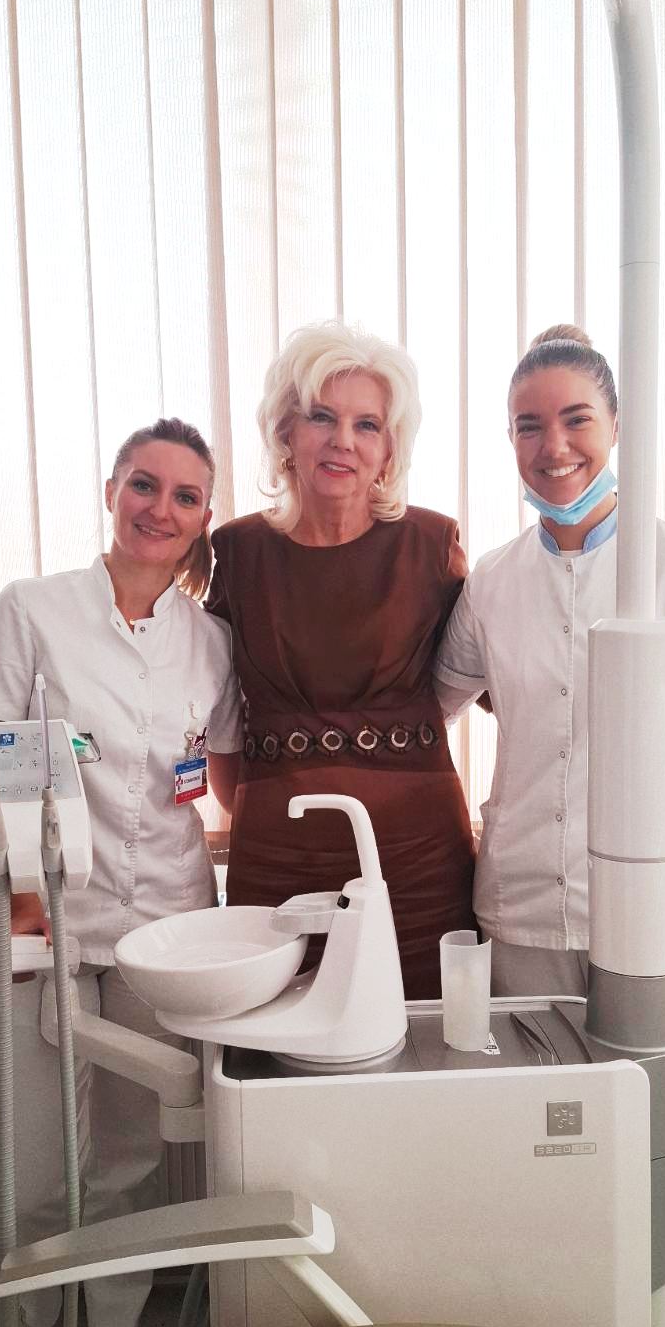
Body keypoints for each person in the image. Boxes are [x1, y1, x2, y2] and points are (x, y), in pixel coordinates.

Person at [0, 417, 243, 1327]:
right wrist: (24, 908)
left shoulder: (211, 643)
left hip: (163, 919)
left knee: (127, 1155)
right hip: (45, 916)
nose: (160, 508)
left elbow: (215, 779)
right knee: (40, 1158)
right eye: (143, 484)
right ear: (112, 490)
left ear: (203, 518)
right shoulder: (33, 611)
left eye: (185, 495)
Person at [434, 325, 665, 1024]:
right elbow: (427, 712)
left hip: (658, 914)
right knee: (530, 1093)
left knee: (648, 1093)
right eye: (529, 427)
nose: (553, 446)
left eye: (576, 419)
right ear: (511, 440)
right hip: (519, 914)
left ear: (616, 425)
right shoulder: (491, 581)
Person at [206, 321, 475, 998]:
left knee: (422, 1034)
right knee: (268, 1036)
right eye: (321, 417)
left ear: (389, 450)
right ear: (285, 432)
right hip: (275, 855)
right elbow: (211, 709)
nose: (343, 441)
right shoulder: (236, 553)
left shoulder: (431, 544)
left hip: (417, 861)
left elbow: (502, 679)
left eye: (367, 425)